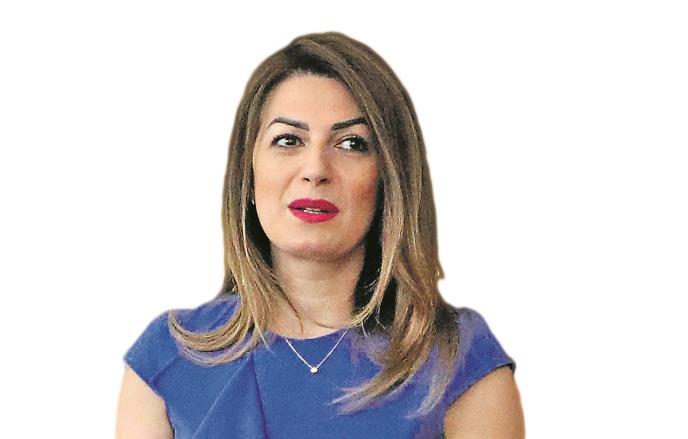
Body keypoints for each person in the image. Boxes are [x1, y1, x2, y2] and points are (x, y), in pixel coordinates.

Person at [115, 31, 525, 438]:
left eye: (351, 144)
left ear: (388, 180)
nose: (315, 169)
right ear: (249, 174)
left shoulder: (459, 361)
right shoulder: (165, 362)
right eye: (288, 140)